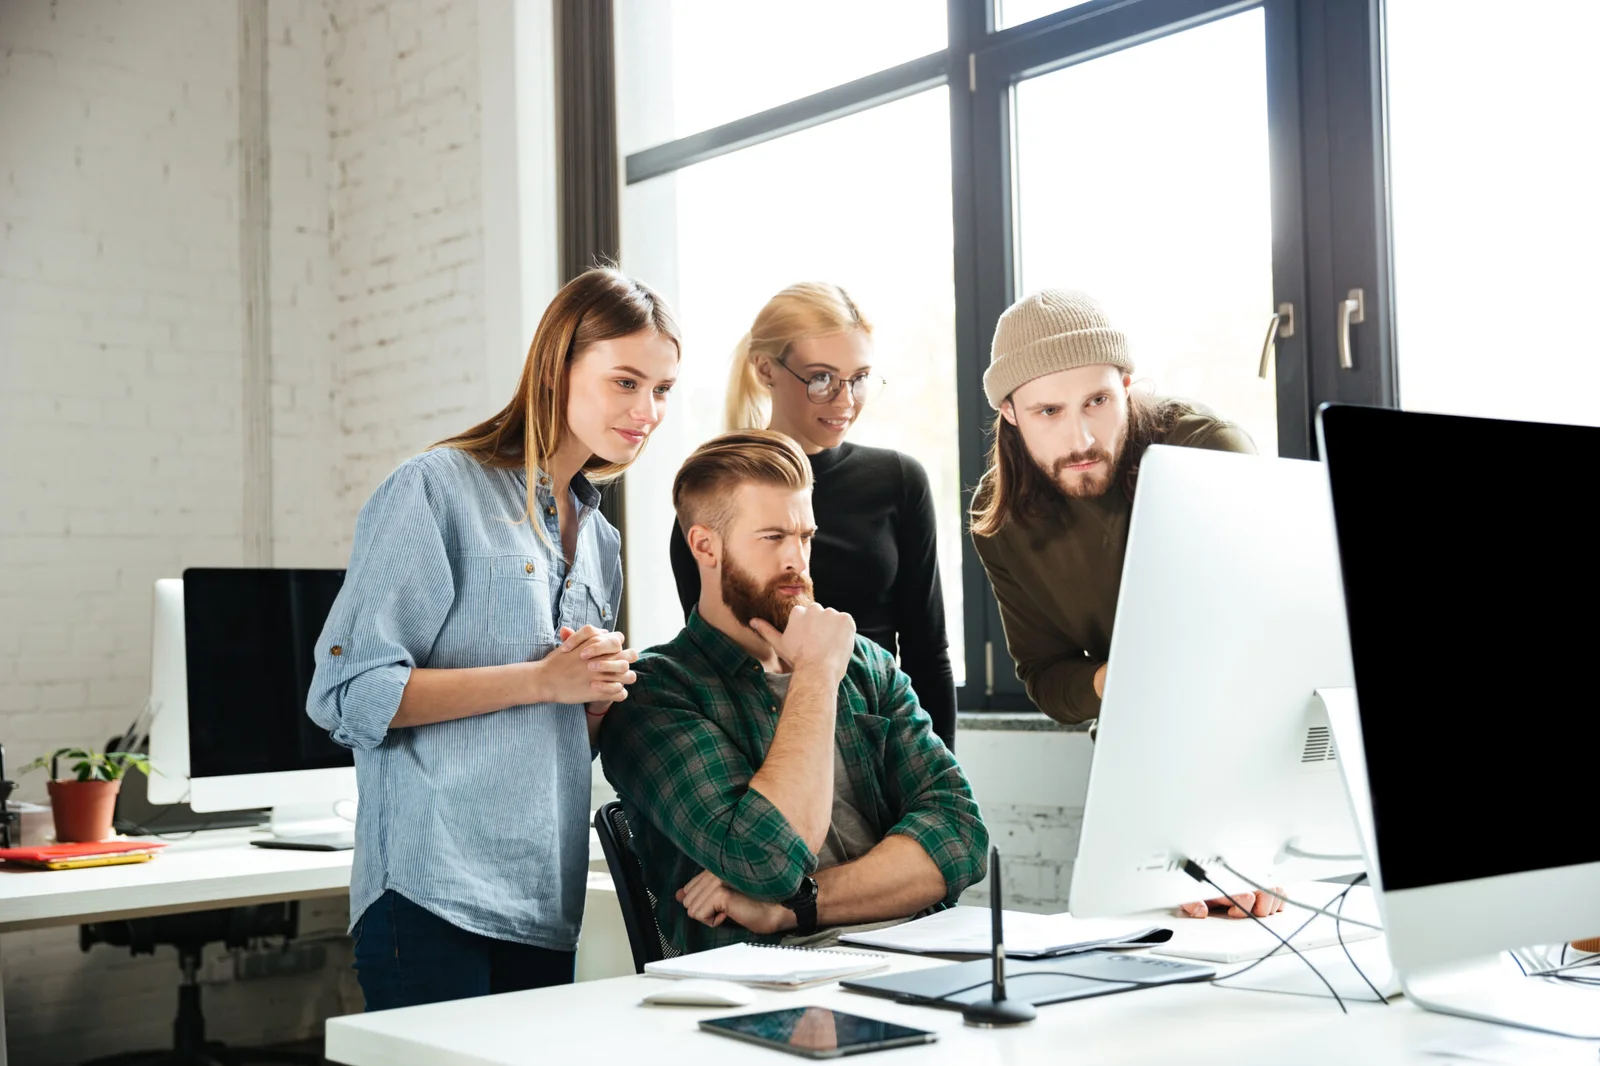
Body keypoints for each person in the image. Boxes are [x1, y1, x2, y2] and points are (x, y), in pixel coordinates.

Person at [306, 268, 680, 1008]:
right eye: (626, 382)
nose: (647, 410)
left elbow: (556, 733)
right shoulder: (437, 488)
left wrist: (594, 702)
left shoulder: (601, 539)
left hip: (543, 901)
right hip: (429, 893)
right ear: (558, 366)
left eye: (663, 390)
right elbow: (347, 696)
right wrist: (541, 680)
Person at [605, 430, 987, 954]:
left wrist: (796, 906)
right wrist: (813, 677)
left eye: (804, 536)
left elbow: (962, 836)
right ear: (705, 545)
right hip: (768, 982)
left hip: (917, 949)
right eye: (772, 538)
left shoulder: (861, 664)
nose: (798, 561)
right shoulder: (656, 693)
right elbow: (767, 860)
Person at [968, 288, 1278, 921]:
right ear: (1009, 413)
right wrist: (1114, 679)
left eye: (1098, 402)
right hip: (1137, 766)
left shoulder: (1209, 451)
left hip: (1262, 760)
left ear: (1128, 384)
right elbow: (1047, 680)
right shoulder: (1000, 523)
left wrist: (1256, 835)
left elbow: (1270, 655)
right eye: (1048, 411)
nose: (1081, 437)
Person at [668, 283, 958, 750]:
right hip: (774, 752)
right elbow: (719, 667)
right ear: (765, 369)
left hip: (888, 748)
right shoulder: (713, 506)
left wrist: (938, 777)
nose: (845, 401)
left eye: (859, 378)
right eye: (821, 378)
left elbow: (928, 654)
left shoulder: (899, 481)